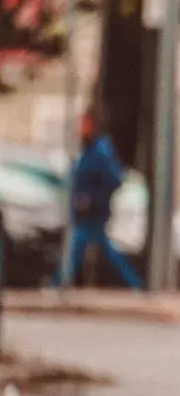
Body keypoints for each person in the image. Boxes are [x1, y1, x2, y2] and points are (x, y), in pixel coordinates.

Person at [52, 106, 142, 290]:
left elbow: (114, 178)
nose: (81, 127)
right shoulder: (89, 149)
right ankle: (134, 284)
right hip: (86, 214)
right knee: (100, 250)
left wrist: (91, 199)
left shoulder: (101, 150)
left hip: (93, 213)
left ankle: (58, 283)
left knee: (78, 247)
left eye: (85, 124)